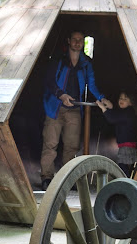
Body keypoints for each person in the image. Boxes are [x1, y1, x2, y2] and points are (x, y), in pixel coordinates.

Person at [40, 30, 105, 190]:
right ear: (68, 40)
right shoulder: (58, 59)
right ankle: (47, 178)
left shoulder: (85, 63)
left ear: (84, 42)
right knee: (50, 144)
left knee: (72, 146)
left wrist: (102, 98)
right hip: (54, 107)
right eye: (74, 39)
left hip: (75, 109)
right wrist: (61, 95)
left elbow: (92, 84)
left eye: (80, 40)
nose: (77, 42)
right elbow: (49, 81)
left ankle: (66, 179)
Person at [97, 91, 137, 177]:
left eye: (125, 99)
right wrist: (110, 108)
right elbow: (116, 115)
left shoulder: (128, 112)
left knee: (123, 166)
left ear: (131, 102)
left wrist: (103, 108)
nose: (122, 100)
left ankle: (127, 183)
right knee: (124, 166)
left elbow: (112, 118)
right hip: (127, 144)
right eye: (120, 98)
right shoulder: (127, 111)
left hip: (127, 145)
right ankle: (128, 182)